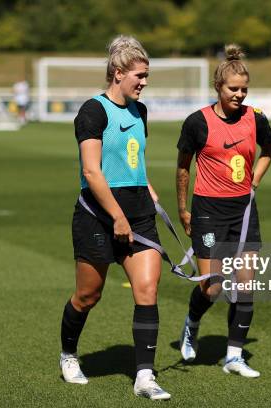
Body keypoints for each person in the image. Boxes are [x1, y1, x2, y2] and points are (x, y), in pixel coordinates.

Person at [59, 35, 171, 400]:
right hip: (98, 215)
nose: (144, 82)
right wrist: (117, 218)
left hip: (138, 215)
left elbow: (131, 159)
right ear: (118, 72)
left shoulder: (142, 111)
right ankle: (69, 354)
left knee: (147, 290)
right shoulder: (92, 111)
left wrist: (147, 186)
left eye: (147, 75)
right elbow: (92, 172)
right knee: (88, 295)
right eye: (139, 75)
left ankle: (144, 376)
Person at [175, 44, 271, 377]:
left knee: (245, 284)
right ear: (218, 87)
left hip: (244, 211)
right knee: (213, 287)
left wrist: (255, 182)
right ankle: (191, 323)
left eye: (245, 89)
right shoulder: (197, 122)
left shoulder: (256, 117)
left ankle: (234, 357)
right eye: (234, 89)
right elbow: (183, 167)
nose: (240, 94)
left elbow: (268, 150)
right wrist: (183, 209)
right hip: (207, 211)